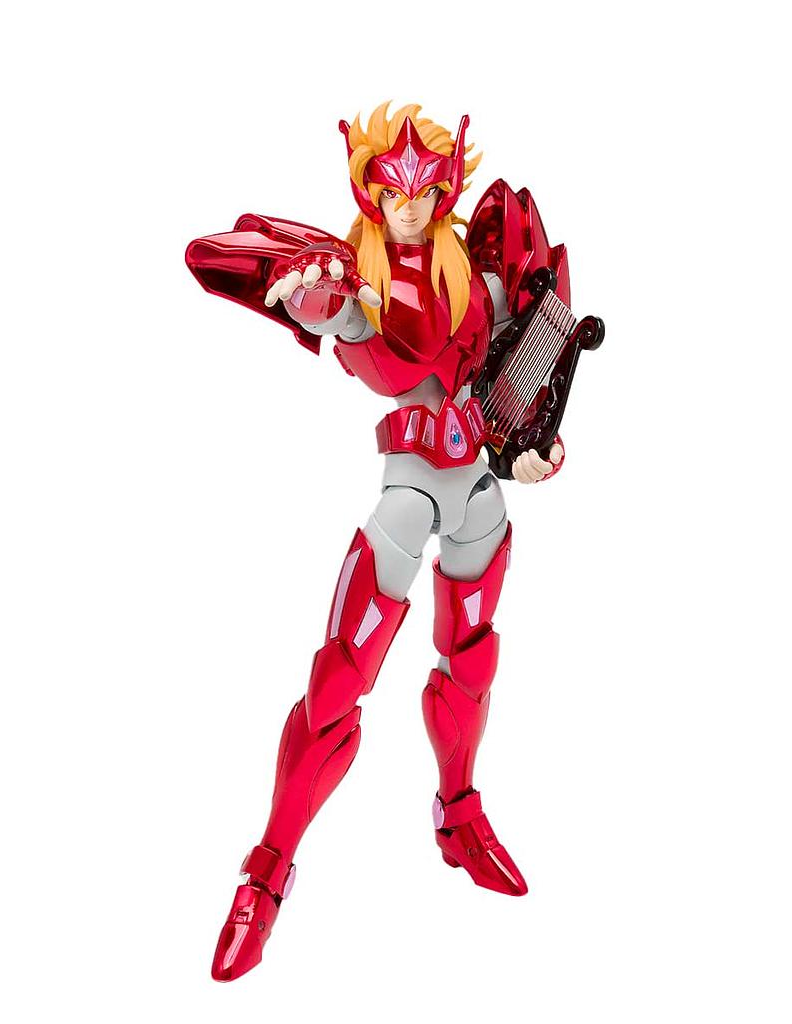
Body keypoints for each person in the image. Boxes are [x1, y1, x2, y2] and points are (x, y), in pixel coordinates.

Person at [186, 102, 575, 981]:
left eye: (424, 190)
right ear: (369, 190)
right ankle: (267, 875)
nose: (408, 205)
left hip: (477, 492)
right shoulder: (360, 289)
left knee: (471, 661)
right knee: (337, 684)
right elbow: (358, 336)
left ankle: (458, 814)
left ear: (445, 190)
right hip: (407, 497)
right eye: (391, 191)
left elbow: (511, 396)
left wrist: (535, 450)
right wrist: (318, 302)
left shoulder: (478, 287)